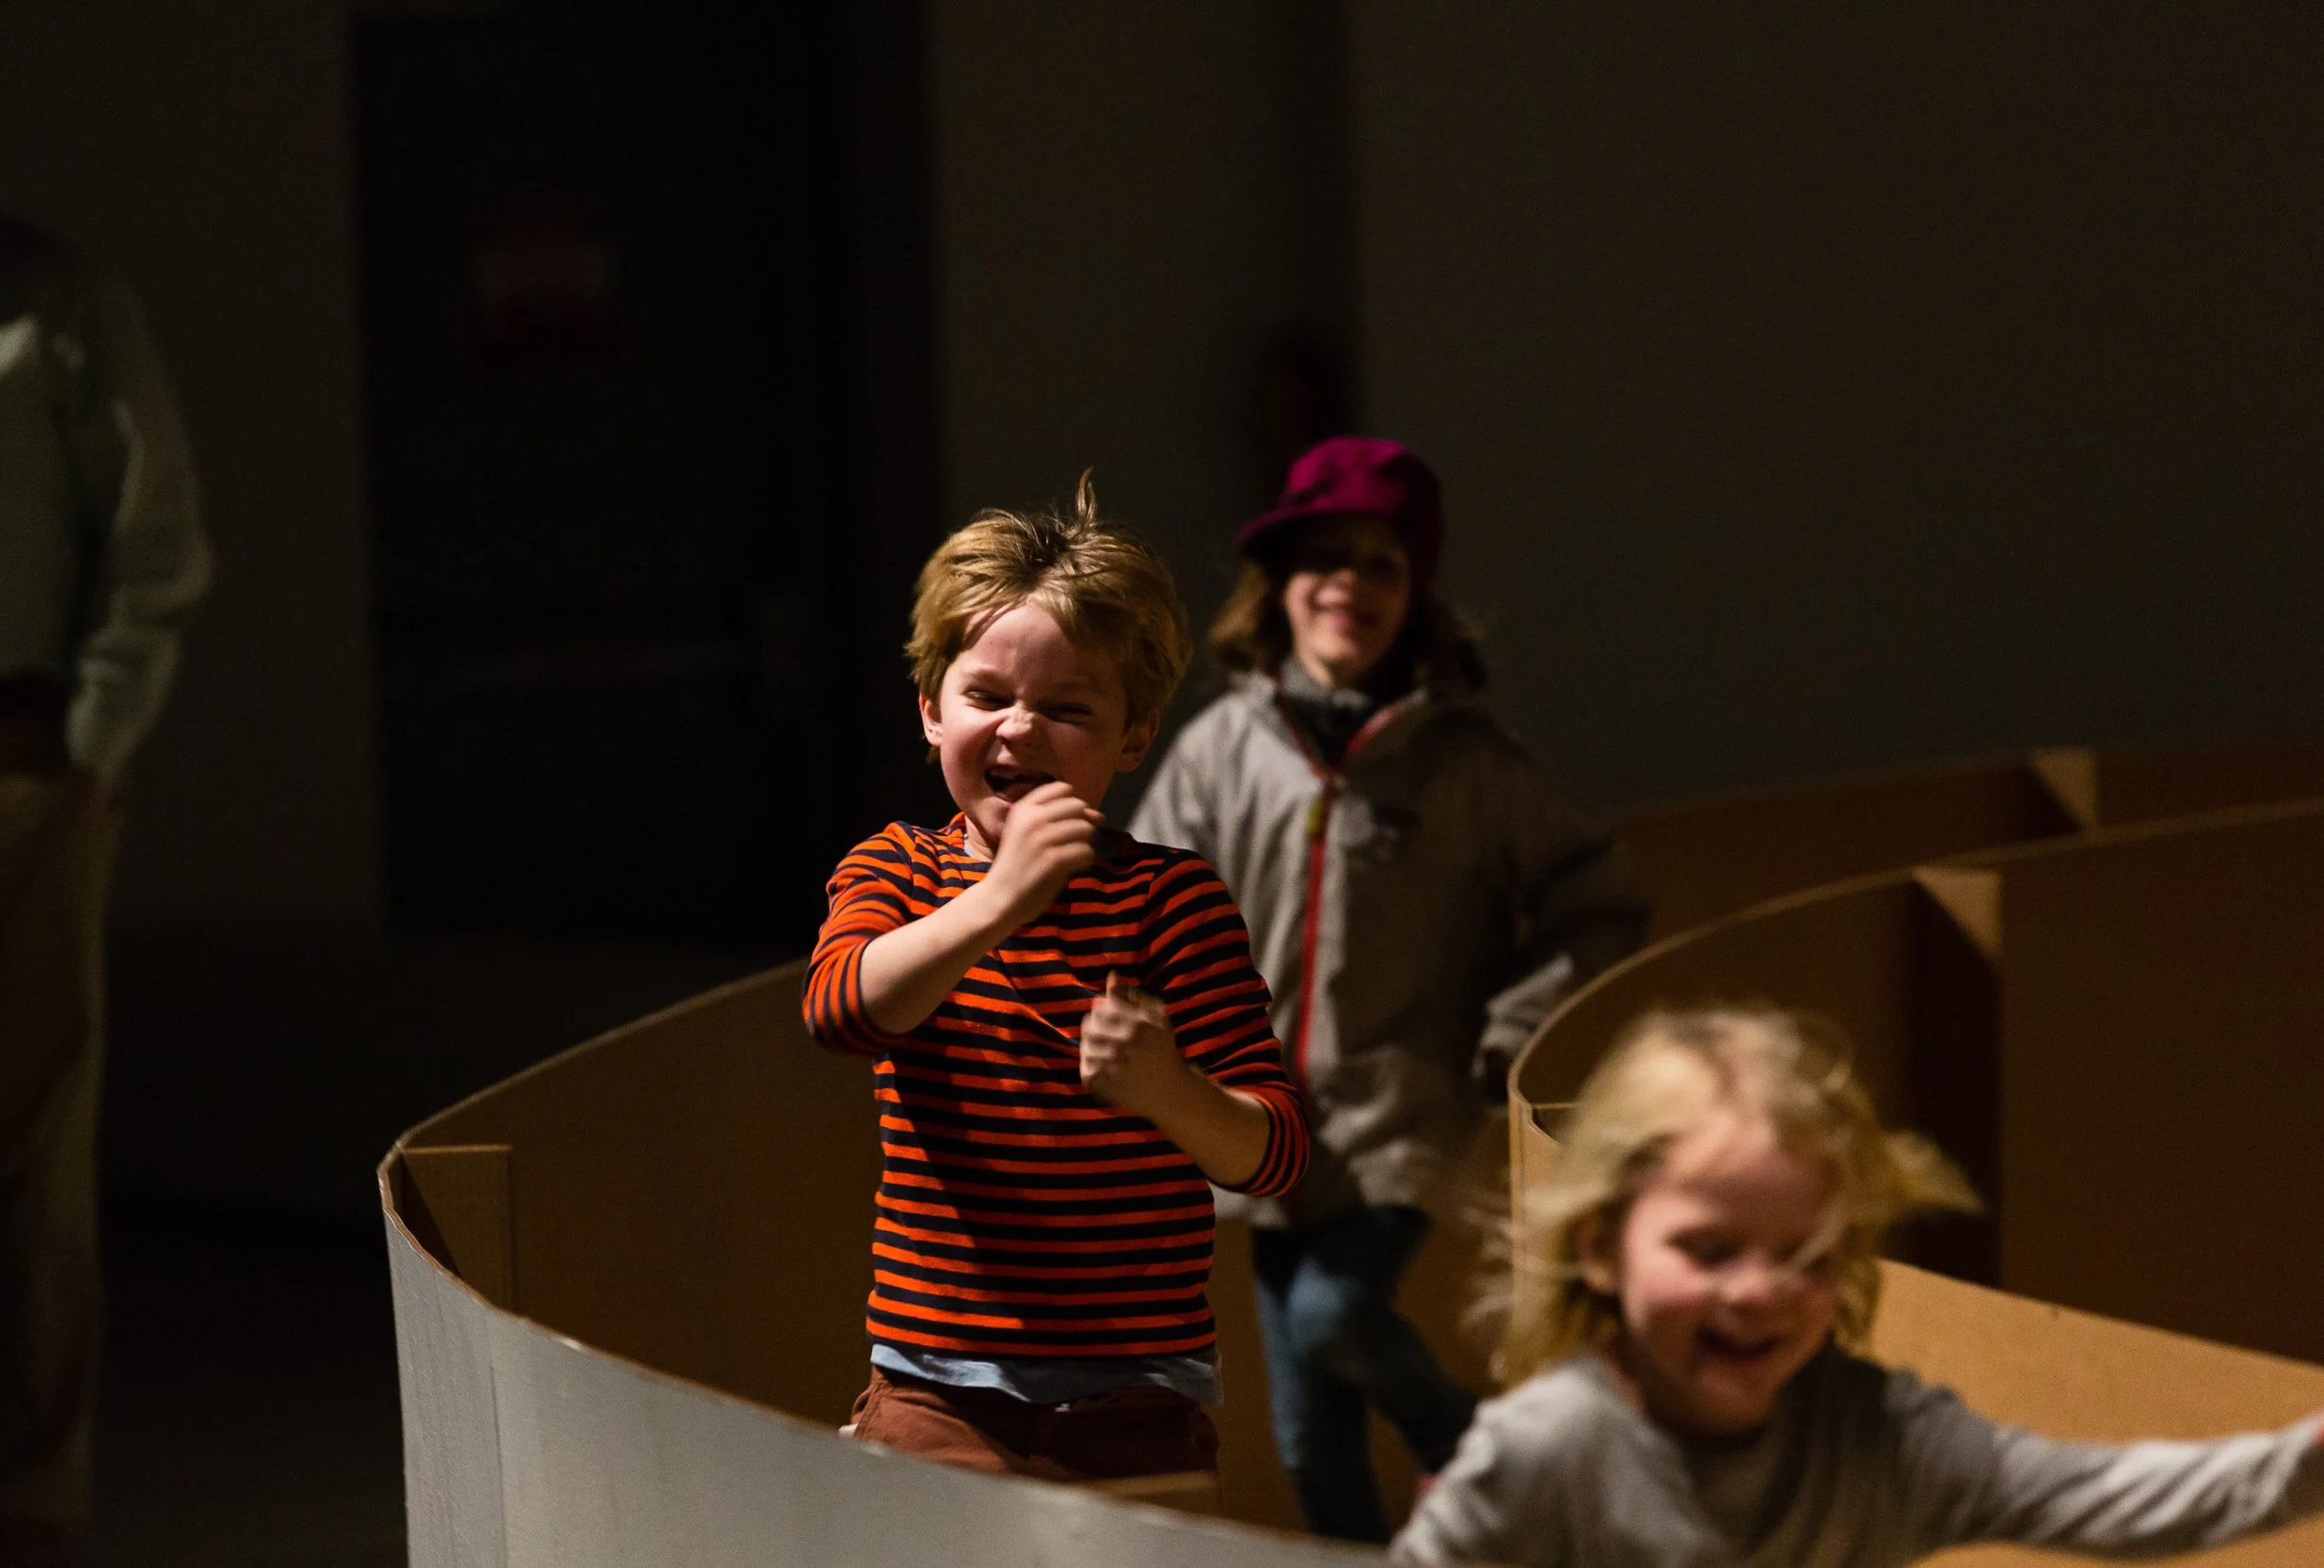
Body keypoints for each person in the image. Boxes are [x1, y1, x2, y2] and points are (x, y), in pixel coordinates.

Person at [1130, 435, 1647, 1540]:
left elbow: (1594, 902)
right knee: (1310, 1438)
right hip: (1257, 1120)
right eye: (1325, 558)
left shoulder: (1467, 763)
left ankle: (1482, 1458)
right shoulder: (1221, 751)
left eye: (1381, 563)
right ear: (1280, 584)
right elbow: (1144, 907)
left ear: (1415, 594)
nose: (1349, 585)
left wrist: (1509, 1031)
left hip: (1400, 1109)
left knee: (1335, 1314)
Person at [1393, 1006, 2324, 1566]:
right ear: (1601, 1246)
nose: (1758, 1288)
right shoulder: (1547, 1449)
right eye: (1710, 1248)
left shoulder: (1882, 1440)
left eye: (1804, 1254)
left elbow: (2133, 1497)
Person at [802, 480, 1310, 1482]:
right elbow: (842, 1009)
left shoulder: (1173, 900)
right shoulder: (894, 869)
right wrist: (997, 901)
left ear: (1133, 735)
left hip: (1136, 1389)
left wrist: (1169, 1090)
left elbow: (1276, 1150)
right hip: (932, 1383)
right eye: (986, 696)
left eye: (1067, 707)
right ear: (930, 711)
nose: (1020, 730)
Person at [0, 87, 212, 1568]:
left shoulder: (53, 303)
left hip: (13, 761)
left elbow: (152, 530)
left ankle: (29, 1493)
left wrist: (90, 745)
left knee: (28, 1142)